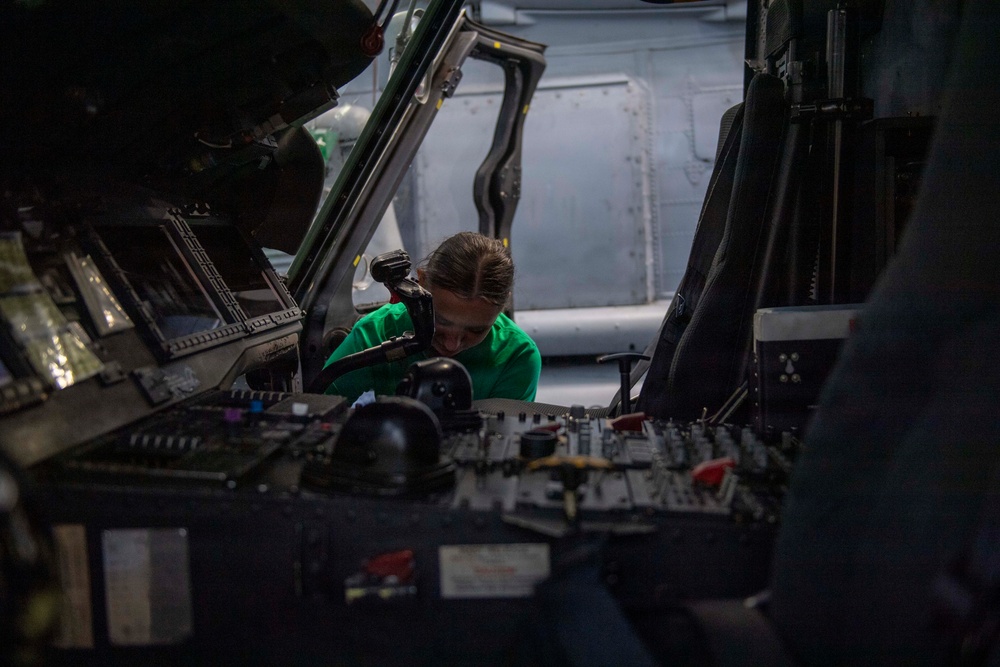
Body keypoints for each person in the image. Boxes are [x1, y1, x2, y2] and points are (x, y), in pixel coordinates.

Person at [323, 232, 542, 403]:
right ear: (421, 281)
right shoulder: (372, 336)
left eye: (476, 330)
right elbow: (320, 414)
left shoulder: (517, 357)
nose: (451, 344)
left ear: (502, 307)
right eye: (441, 320)